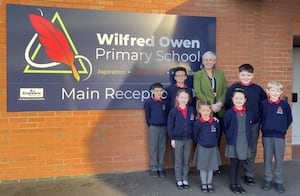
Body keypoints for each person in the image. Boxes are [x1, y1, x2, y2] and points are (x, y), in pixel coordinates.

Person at [225, 63, 267, 186]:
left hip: (253, 125)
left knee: (251, 149)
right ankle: (238, 173)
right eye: (243, 75)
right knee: (237, 148)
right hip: (237, 125)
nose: (245, 77)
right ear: (239, 75)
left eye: (248, 75)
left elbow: (263, 105)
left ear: (252, 75)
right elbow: (228, 104)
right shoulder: (233, 88)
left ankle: (249, 174)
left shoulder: (258, 89)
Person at [193, 51, 227, 174]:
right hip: (205, 109)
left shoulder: (220, 74)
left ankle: (214, 165)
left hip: (219, 109)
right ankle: (203, 164)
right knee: (204, 136)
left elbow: (224, 90)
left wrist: (219, 103)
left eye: (211, 60)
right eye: (206, 60)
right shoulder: (198, 75)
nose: (208, 62)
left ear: (214, 61)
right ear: (203, 62)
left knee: (216, 137)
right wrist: (210, 104)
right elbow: (198, 92)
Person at [260, 81, 293, 193]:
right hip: (267, 136)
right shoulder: (264, 104)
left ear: (281, 92)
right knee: (267, 158)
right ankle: (268, 180)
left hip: (279, 136)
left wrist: (282, 129)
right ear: (268, 91)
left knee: (279, 159)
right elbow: (261, 117)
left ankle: (278, 181)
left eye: (277, 91)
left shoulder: (284, 105)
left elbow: (289, 119)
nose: (275, 93)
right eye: (272, 90)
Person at [224, 88, 253, 194]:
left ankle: (238, 184)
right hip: (233, 141)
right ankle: (233, 184)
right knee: (234, 163)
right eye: (236, 98)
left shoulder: (249, 113)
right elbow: (225, 126)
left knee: (241, 163)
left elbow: (250, 126)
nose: (239, 100)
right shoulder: (229, 113)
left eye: (241, 98)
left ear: (245, 100)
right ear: (232, 99)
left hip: (244, 142)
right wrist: (230, 137)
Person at [167, 89, 196, 189]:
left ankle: (185, 178)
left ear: (188, 99)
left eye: (186, 98)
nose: (184, 99)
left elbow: (195, 122)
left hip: (188, 139)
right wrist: (172, 138)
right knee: (178, 160)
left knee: (186, 160)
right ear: (177, 98)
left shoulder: (191, 110)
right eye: (182, 97)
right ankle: (179, 179)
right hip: (177, 139)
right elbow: (170, 126)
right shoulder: (174, 111)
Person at [193, 100, 221, 193]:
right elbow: (195, 135)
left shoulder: (215, 122)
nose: (206, 112)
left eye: (208, 110)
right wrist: (201, 142)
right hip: (202, 147)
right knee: (203, 167)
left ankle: (209, 183)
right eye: (203, 110)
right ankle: (204, 183)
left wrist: (212, 142)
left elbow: (217, 134)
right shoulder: (198, 123)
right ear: (199, 110)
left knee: (211, 167)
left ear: (211, 111)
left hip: (212, 147)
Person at [144, 83, 169, 178]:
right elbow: (147, 116)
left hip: (163, 127)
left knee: (162, 148)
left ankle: (160, 168)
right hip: (153, 127)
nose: (158, 92)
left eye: (160, 91)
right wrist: (151, 124)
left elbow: (166, 114)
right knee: (154, 148)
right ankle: (154, 168)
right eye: (156, 91)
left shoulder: (165, 102)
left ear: (163, 92)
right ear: (152, 92)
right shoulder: (149, 102)